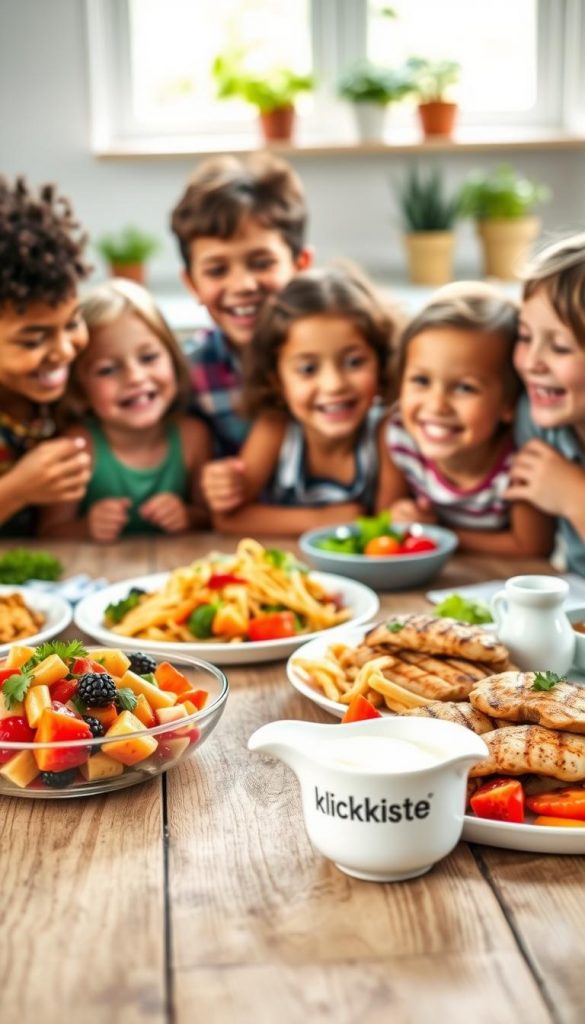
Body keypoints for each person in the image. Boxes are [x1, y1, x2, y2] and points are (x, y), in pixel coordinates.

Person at [207, 264, 397, 536]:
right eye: (308, 369)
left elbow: (385, 531)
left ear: (381, 362)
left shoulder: (385, 433)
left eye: (354, 362)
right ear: (277, 380)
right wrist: (326, 519)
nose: (333, 385)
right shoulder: (276, 427)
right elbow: (228, 518)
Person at [170, 152, 313, 508]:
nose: (243, 285)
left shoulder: (340, 356)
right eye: (217, 270)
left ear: (300, 265)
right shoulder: (190, 374)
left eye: (261, 263)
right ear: (192, 284)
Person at [380, 281, 555, 556]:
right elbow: (385, 518)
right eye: (421, 381)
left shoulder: (521, 462)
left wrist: (439, 535)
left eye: (465, 388)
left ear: (509, 403)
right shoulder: (398, 437)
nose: (436, 406)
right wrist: (402, 516)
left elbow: (530, 547)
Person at [39, 279, 211, 542]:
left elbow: (212, 519)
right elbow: (49, 532)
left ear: (174, 359)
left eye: (149, 357)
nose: (135, 377)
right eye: (107, 369)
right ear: (79, 390)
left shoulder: (192, 437)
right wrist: (88, 527)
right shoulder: (77, 447)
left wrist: (187, 517)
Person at [0, 176, 92, 535]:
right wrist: (17, 490)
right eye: (33, 341)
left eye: (73, 323)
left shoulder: (76, 387)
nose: (64, 351)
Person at [505, 233, 585, 572]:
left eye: (561, 347)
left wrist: (574, 496)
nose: (531, 361)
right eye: (524, 337)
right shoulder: (538, 418)